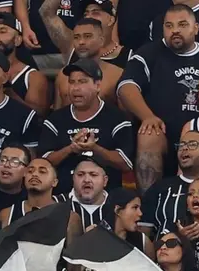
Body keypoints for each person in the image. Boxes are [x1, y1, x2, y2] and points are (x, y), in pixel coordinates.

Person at [119, 4, 199, 193]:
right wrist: (148, 116)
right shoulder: (148, 53)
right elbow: (126, 88)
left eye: (182, 25)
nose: (175, 31)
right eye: (169, 26)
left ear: (195, 28)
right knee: (148, 134)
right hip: (164, 134)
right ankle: (149, 202)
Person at [40, 59, 133, 196]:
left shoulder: (118, 118)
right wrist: (71, 148)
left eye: (82, 82)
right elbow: (43, 163)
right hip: (62, 197)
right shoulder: (55, 120)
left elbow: (126, 163)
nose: (75, 88)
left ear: (97, 85)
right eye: (72, 82)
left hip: (107, 197)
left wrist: (95, 148)